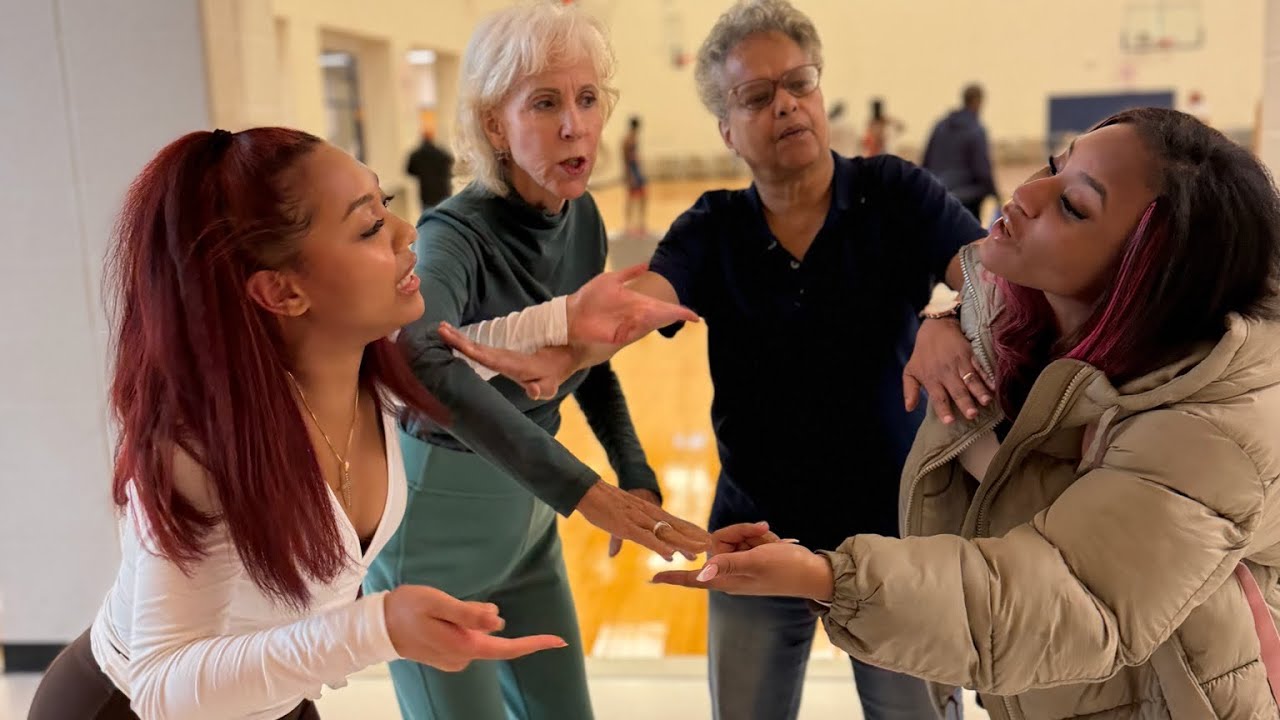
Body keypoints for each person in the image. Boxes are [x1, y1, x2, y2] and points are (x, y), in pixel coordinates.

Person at [436, 1, 990, 717]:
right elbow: (641, 306)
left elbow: (993, 274)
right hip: (753, 532)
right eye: (757, 96)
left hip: (895, 536)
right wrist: (566, 350)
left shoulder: (894, 192)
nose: (786, 105)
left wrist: (944, 312)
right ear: (728, 130)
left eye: (800, 83)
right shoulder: (712, 227)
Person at [653, 108, 1280, 718]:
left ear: (1150, 273)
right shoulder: (1018, 321)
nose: (1029, 192)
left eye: (1073, 204)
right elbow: (977, 289)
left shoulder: (1206, 434)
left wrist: (831, 577)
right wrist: (944, 316)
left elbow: (1054, 599)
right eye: (1052, 166)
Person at [25, 128, 570, 720]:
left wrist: (569, 319)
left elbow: (452, 354)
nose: (406, 232)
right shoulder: (197, 448)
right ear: (283, 291)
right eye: (368, 227)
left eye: (383, 204)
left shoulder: (359, 370)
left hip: (272, 705)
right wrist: (376, 626)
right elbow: (160, 686)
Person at [363, 5, 710, 720]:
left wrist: (633, 473)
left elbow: (590, 358)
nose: (574, 125)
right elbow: (418, 356)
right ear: (496, 124)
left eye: (587, 100)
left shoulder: (581, 217)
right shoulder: (452, 234)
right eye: (545, 103)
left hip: (529, 522)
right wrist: (583, 490)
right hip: (440, 530)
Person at [922, 84, 998, 222]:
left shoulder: (940, 126)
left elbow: (926, 161)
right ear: (978, 102)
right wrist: (994, 194)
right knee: (968, 240)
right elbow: (982, 170)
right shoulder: (976, 130)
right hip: (967, 201)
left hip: (938, 194)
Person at [405, 131, 454, 210]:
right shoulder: (441, 153)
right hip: (442, 191)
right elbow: (450, 164)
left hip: (426, 193)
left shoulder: (416, 155)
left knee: (428, 216)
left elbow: (409, 171)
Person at [622, 115, 649, 235]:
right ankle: (628, 225)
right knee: (631, 199)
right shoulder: (627, 140)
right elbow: (626, 159)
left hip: (637, 170)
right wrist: (629, 176)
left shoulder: (634, 138)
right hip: (632, 171)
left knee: (643, 197)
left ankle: (641, 224)